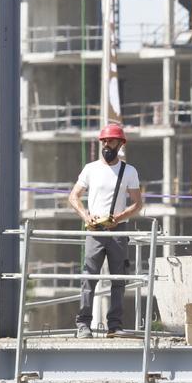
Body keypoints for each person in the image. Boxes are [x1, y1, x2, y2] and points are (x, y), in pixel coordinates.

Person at [67, 123, 143, 338]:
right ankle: (83, 324)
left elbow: (137, 204)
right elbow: (74, 196)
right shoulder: (90, 169)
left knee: (118, 279)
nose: (106, 144)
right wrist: (86, 215)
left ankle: (115, 325)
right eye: (104, 141)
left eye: (110, 140)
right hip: (94, 230)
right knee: (89, 277)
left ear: (120, 144)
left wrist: (118, 218)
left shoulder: (129, 171)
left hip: (118, 230)